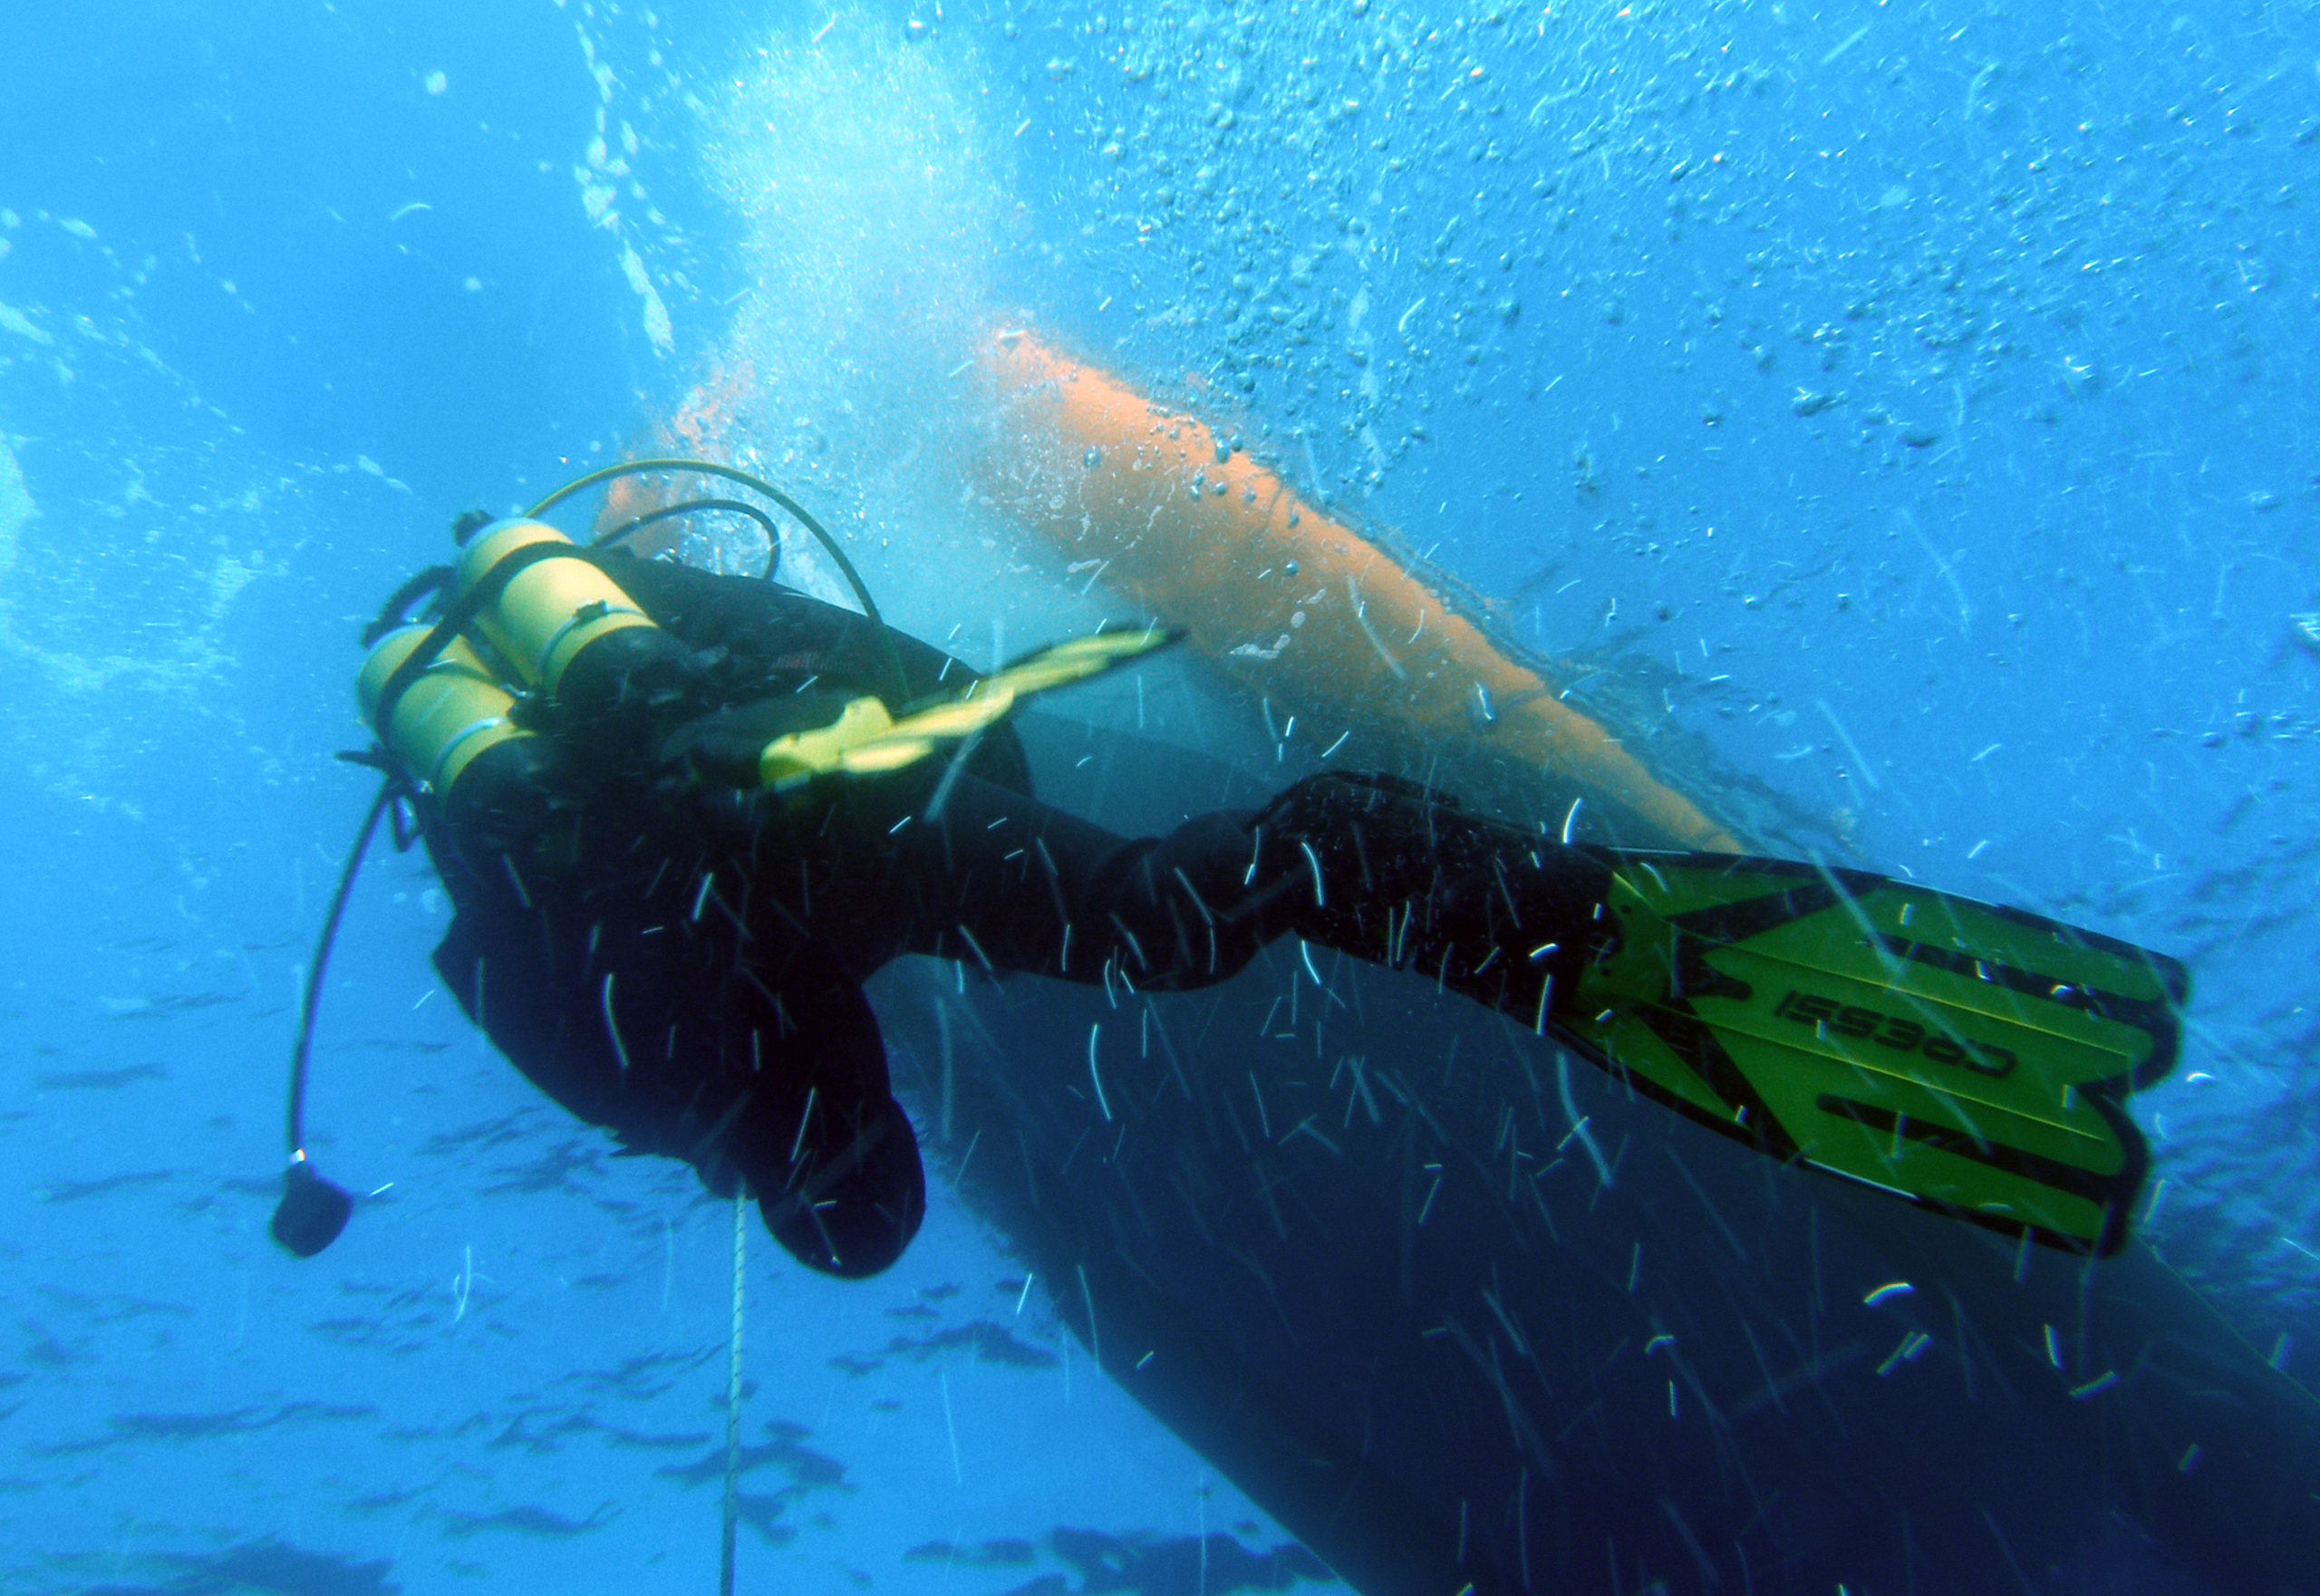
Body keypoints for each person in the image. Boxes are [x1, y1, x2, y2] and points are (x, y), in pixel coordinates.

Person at [334, 498, 2180, 1278]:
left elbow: (597, 1016)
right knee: (1166, 914)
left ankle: (1567, 936)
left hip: (739, 908)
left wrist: (749, 1102)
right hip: (825, 811)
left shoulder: (544, 955)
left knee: (940, 1113)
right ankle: (1569, 928)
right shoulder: (666, 654)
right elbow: (885, 686)